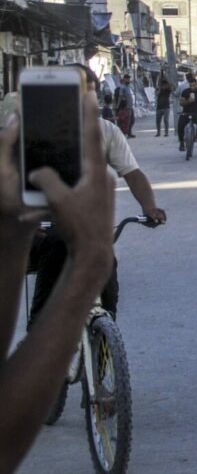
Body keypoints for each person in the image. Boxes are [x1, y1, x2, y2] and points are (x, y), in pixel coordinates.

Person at [0, 94, 115, 473]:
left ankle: (100, 353)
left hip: (36, 230)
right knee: (53, 260)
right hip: (50, 241)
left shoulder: (105, 134)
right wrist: (88, 266)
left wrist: (15, 233)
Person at [29, 65, 166, 325]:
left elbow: (132, 173)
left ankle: (106, 334)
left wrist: (149, 207)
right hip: (42, 229)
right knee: (58, 243)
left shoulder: (106, 131)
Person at [177, 75, 197, 151]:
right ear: (189, 85)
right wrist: (188, 101)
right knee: (180, 125)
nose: (193, 87)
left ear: (196, 84)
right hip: (186, 112)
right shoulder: (185, 92)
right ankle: (181, 142)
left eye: (194, 85)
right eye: (191, 85)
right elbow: (181, 102)